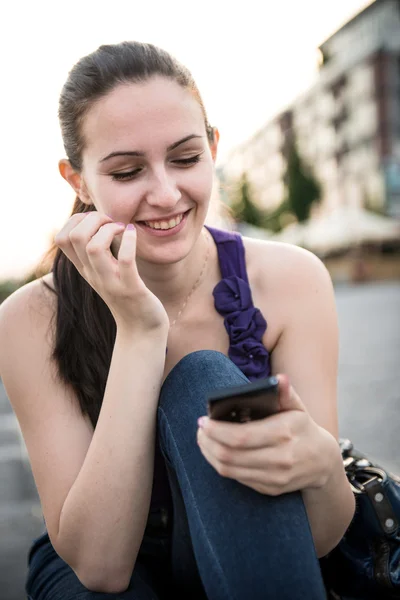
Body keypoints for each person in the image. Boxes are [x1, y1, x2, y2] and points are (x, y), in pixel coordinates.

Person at [0, 41, 355, 600]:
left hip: (248, 535)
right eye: (126, 170)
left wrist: (322, 469)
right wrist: (140, 331)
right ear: (79, 182)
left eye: (186, 159)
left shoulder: (291, 281)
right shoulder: (29, 319)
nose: (166, 194)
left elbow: (319, 537)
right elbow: (100, 566)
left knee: (206, 379)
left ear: (213, 147)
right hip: (105, 567)